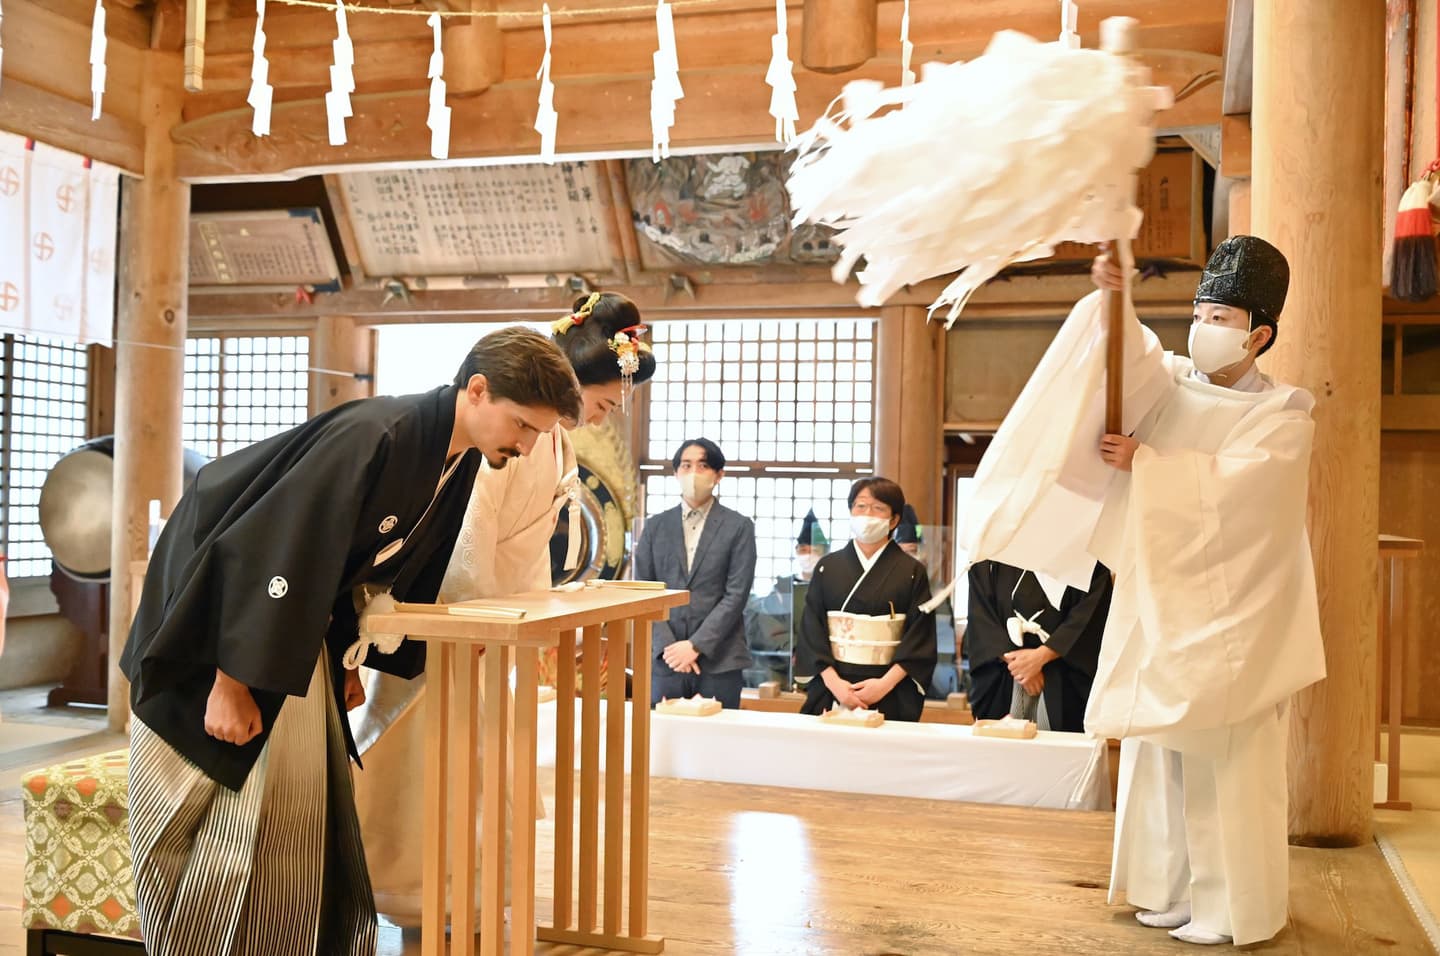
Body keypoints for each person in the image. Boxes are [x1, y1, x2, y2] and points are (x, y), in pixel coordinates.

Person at [120, 327, 582, 955]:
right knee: (210, 825)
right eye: (524, 426)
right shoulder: (379, 435)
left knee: (294, 817)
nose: (527, 446)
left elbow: (376, 571)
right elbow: (276, 550)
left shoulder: (456, 456)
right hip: (212, 624)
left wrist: (347, 660)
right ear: (477, 391)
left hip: (286, 634)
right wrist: (230, 682)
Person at [962, 235, 1324, 946]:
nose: (1205, 326)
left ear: (1260, 333)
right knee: (1161, 754)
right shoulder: (1177, 382)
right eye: (1199, 310)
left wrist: (1150, 464)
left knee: (1227, 760)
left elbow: (1246, 502)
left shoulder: (1283, 418)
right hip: (1163, 602)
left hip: (1235, 618)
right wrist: (1113, 295)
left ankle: (1231, 908)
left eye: (1221, 316)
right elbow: (1124, 363)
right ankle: (1170, 889)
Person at [349, 292, 656, 928]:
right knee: (430, 772)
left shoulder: (550, 439)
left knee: (481, 768)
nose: (604, 415)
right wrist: (476, 617)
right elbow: (471, 531)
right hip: (460, 620)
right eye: (603, 402)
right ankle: (419, 898)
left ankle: (470, 895)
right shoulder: (518, 433)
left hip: (500, 618)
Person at [795, 478, 936, 721]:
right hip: (834, 688)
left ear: (894, 519)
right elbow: (812, 631)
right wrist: (836, 685)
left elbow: (919, 638)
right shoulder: (827, 567)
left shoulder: (912, 571)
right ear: (850, 511)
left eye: (878, 508)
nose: (867, 514)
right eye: (860, 506)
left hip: (889, 689)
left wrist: (883, 686)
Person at [633, 438, 757, 708]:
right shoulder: (655, 527)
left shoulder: (739, 527)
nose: (693, 474)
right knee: (662, 742)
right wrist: (670, 647)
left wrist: (695, 645)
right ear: (675, 473)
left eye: (702, 466)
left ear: (718, 475)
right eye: (686, 466)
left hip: (719, 660)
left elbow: (736, 595)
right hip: (665, 660)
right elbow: (642, 590)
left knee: (718, 743)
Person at [964, 559, 1111, 732]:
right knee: (1001, 749)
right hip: (1004, 670)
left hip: (1063, 672)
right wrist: (1018, 665)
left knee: (1058, 749)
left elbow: (1090, 615)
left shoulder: (1083, 554)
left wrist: (1042, 656)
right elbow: (981, 616)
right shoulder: (993, 550)